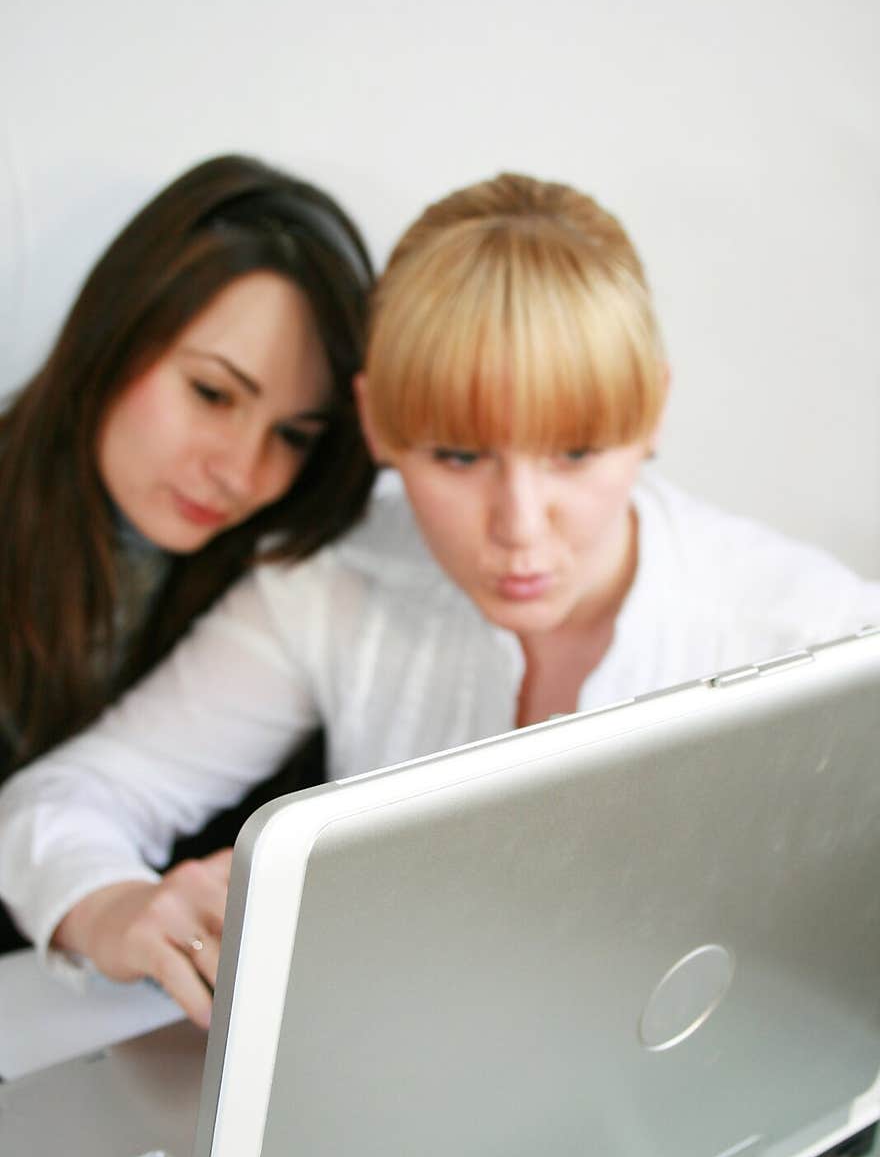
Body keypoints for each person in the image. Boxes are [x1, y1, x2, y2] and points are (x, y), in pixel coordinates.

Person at [1, 171, 878, 1025]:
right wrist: (111, 904)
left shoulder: (822, 639)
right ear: (377, 423)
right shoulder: (331, 583)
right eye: (458, 458)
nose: (520, 526)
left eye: (575, 453)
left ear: (653, 413)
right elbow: (68, 796)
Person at [0, 153, 376, 950]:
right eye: (212, 393)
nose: (241, 472)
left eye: (294, 436)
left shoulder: (289, 581)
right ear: (114, 334)